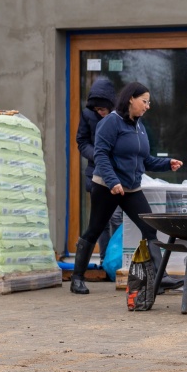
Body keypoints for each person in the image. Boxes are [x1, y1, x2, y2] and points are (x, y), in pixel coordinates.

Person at [69, 82, 186, 295]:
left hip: (131, 189)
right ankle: (77, 278)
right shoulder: (111, 122)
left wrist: (167, 163)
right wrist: (113, 182)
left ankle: (160, 278)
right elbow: (101, 154)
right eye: (145, 101)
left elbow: (145, 160)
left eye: (149, 102)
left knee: (150, 228)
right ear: (131, 99)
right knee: (94, 229)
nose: (147, 106)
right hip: (106, 186)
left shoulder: (139, 126)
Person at [75, 77, 123, 266]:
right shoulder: (88, 115)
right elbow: (82, 142)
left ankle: (118, 260)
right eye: (97, 110)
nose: (100, 113)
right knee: (100, 221)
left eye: (103, 109)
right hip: (96, 173)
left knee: (117, 218)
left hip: (118, 174)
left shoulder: (120, 116)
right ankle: (105, 260)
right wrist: (98, 154)